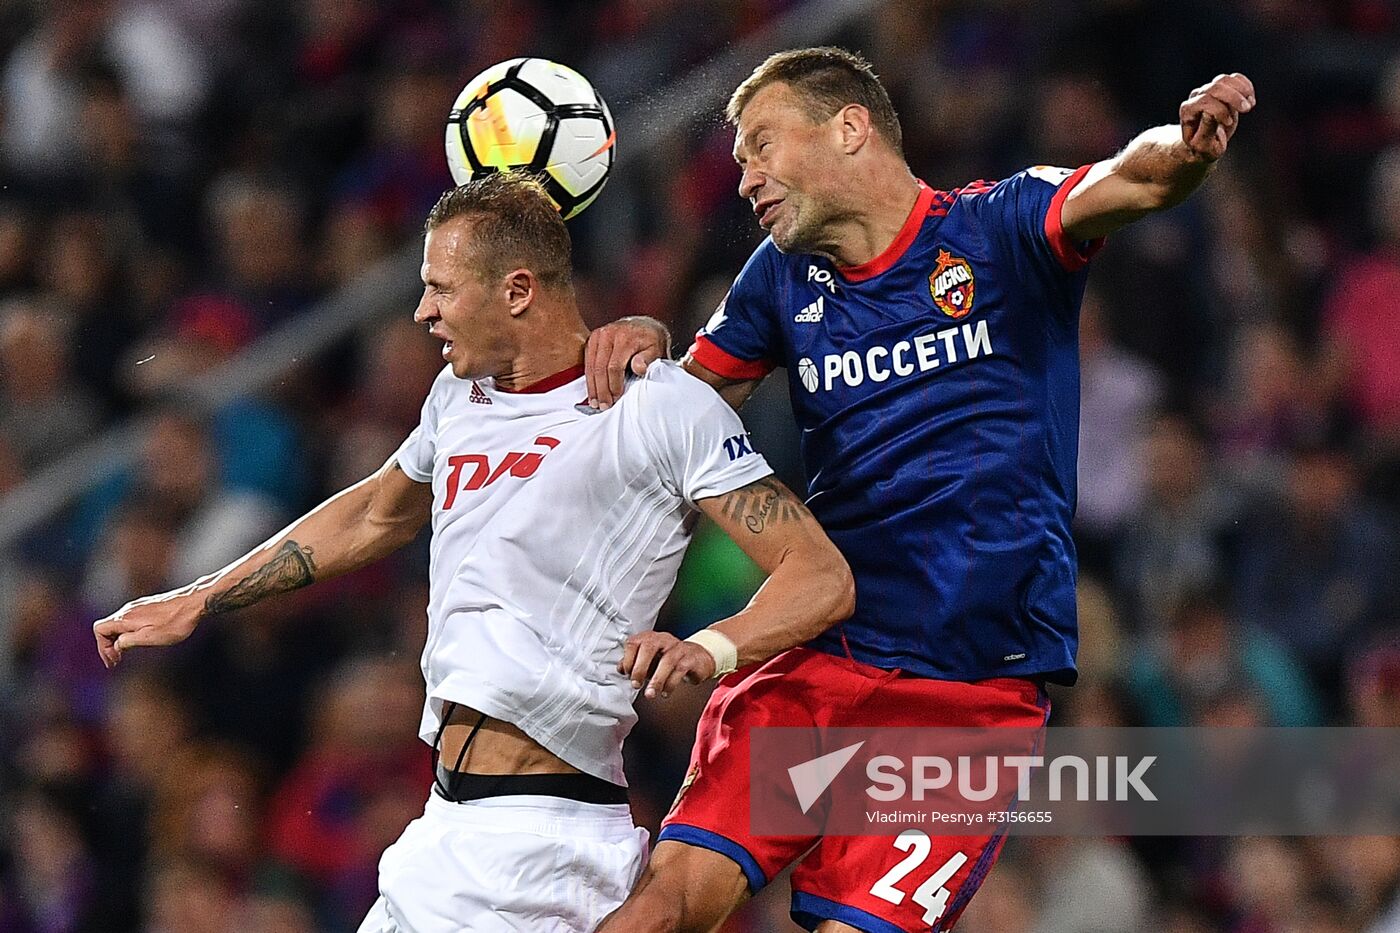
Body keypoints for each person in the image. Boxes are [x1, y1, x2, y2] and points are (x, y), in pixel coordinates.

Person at [587, 47, 1255, 933]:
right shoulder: (781, 279)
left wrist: (1187, 147)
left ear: (850, 127)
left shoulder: (1000, 228)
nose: (742, 176)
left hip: (966, 702)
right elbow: (674, 423)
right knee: (665, 906)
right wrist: (649, 354)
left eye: (760, 145)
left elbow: (1125, 180)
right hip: (823, 662)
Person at [93, 173, 854, 933]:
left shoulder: (657, 408)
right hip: (442, 829)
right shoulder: (457, 398)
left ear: (517, 289)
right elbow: (372, 512)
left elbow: (819, 575)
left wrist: (711, 647)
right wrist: (199, 597)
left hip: (540, 848)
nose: (423, 310)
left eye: (440, 289)